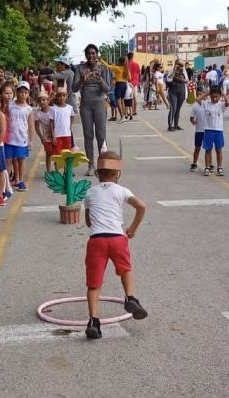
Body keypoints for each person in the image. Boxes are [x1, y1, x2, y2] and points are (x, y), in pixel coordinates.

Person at [82, 151, 147, 340]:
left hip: (97, 240)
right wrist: (132, 228)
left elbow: (88, 222)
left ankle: (94, 321)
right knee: (125, 270)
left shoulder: (89, 193)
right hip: (118, 239)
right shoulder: (122, 190)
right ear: (118, 173)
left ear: (97, 173)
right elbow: (141, 206)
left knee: (94, 284)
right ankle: (131, 298)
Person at [72, 45, 111, 176]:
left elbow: (107, 88)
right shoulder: (80, 68)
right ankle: (91, 165)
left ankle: (103, 165)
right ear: (86, 55)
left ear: (97, 54)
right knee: (88, 135)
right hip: (86, 104)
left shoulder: (102, 68)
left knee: (101, 135)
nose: (91, 56)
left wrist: (99, 79)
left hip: (99, 102)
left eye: (93, 53)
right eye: (89, 53)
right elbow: (74, 88)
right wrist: (82, 80)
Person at [5, 82, 35, 192]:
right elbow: (5, 118)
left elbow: (31, 126)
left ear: (28, 94)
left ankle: (21, 180)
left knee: (21, 159)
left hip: (21, 139)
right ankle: (6, 182)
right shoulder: (10, 105)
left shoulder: (29, 109)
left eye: (25, 92)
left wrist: (31, 140)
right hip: (9, 138)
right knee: (9, 159)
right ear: (17, 93)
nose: (23, 94)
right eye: (21, 92)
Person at [201, 88, 227, 176]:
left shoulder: (221, 105)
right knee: (208, 150)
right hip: (208, 130)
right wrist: (207, 93)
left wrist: (223, 93)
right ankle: (207, 167)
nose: (214, 99)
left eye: (216, 97)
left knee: (218, 149)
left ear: (220, 96)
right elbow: (197, 99)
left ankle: (219, 167)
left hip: (218, 130)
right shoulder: (206, 104)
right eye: (212, 97)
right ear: (210, 96)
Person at [35, 91, 56, 172]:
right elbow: (36, 126)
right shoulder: (38, 114)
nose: (42, 102)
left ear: (48, 100)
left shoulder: (53, 110)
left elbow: (54, 123)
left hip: (55, 135)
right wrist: (41, 137)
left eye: (44, 100)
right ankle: (48, 171)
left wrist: (55, 136)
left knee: (56, 154)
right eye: (40, 100)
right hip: (46, 137)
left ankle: (57, 171)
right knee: (48, 154)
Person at [166, 61, 189, 131]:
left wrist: (182, 79)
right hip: (173, 92)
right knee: (173, 108)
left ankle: (176, 125)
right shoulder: (171, 70)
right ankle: (170, 125)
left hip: (181, 91)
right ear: (175, 65)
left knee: (178, 109)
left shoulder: (184, 71)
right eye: (179, 65)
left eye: (182, 65)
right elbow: (168, 79)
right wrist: (174, 71)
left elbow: (187, 80)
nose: (180, 66)